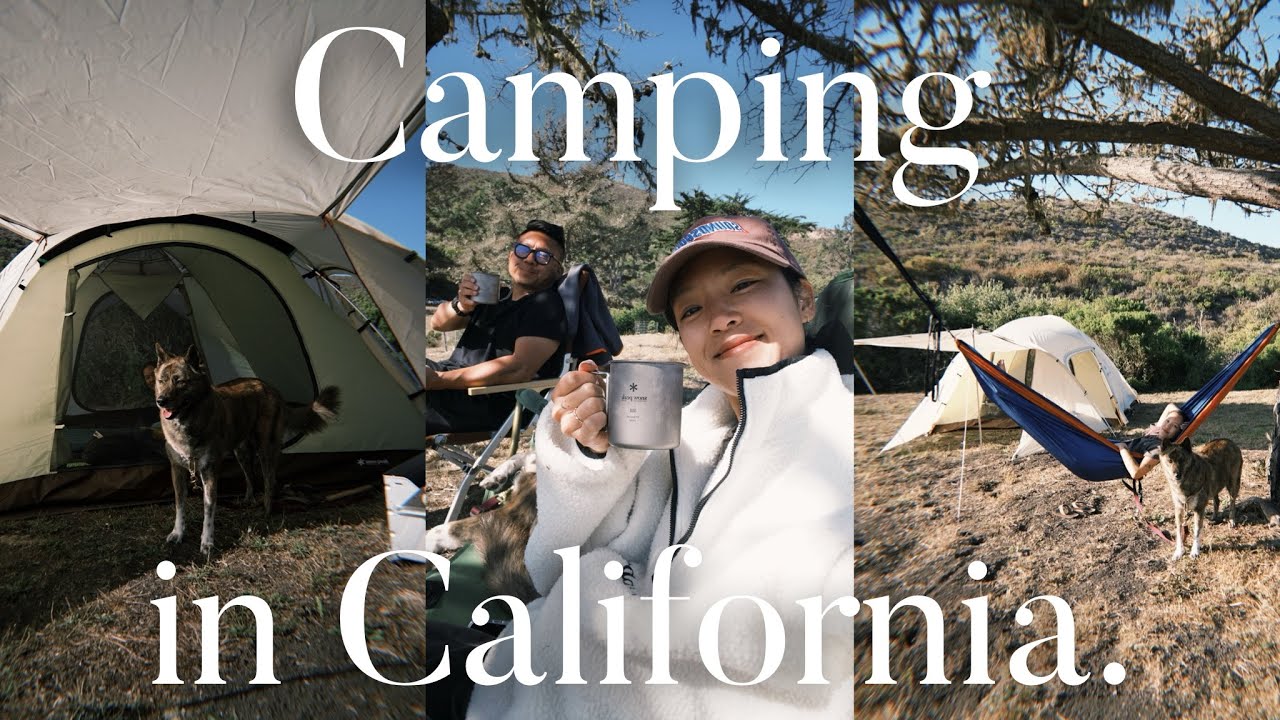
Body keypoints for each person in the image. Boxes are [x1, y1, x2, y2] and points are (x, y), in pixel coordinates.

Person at [462, 216, 855, 719]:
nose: (720, 317)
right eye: (692, 308)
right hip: (527, 659)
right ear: (683, 342)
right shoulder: (687, 435)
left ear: (804, 299)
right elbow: (551, 567)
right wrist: (593, 456)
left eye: (743, 284)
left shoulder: (839, 441)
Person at [427, 220, 569, 435]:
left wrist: (438, 381)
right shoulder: (495, 295)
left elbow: (518, 368)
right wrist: (462, 305)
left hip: (485, 401)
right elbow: (437, 324)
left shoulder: (546, 306)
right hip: (451, 383)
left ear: (557, 270)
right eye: (523, 250)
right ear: (510, 255)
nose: (529, 259)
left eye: (543, 256)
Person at [1114, 402, 1188, 482]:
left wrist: (1123, 447)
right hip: (1113, 445)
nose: (1167, 426)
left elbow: (1136, 474)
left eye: (1175, 426)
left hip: (1115, 455)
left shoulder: (1157, 449)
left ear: (1179, 432)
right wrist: (1179, 416)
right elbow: (1170, 406)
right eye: (1167, 421)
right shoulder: (1157, 430)